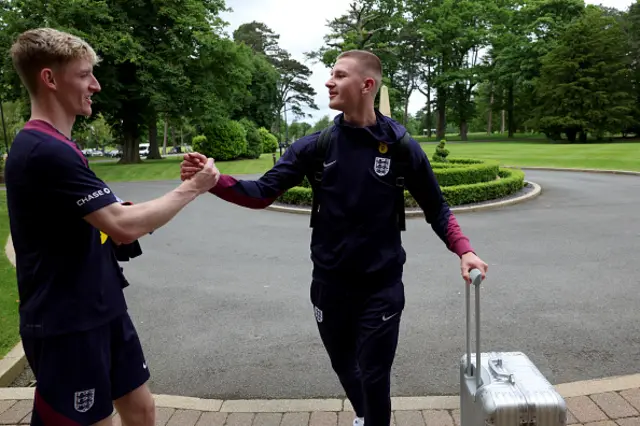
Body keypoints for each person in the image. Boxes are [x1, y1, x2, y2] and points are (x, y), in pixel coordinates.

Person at [181, 50, 488, 426]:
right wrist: (214, 183)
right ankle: (364, 416)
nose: (328, 82)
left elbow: (436, 208)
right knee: (344, 364)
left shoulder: (400, 146)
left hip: (382, 285)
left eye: (339, 75)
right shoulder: (316, 146)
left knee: (375, 375)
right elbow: (261, 192)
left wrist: (465, 250)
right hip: (329, 283)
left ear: (366, 85)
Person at [4, 28, 220, 426]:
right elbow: (121, 226)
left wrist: (130, 213)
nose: (96, 85)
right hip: (66, 322)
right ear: (49, 79)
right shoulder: (43, 150)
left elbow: (110, 217)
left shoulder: (61, 146)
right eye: (85, 74)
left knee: (141, 410)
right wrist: (194, 188)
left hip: (102, 306)